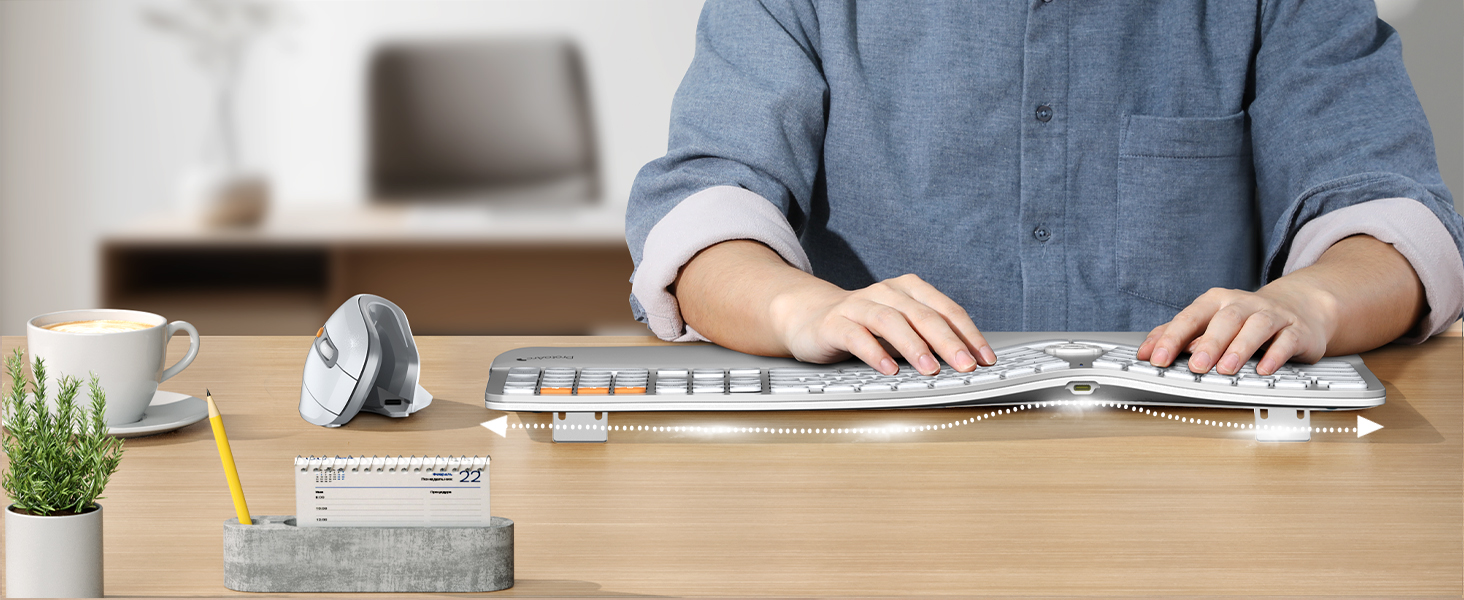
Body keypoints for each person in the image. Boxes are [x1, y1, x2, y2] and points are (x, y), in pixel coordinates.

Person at [624, 0, 1464, 378]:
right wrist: (794, 308)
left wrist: (1311, 304)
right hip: (868, 459)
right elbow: (704, 212)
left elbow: (1393, 220)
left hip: (1202, 477)